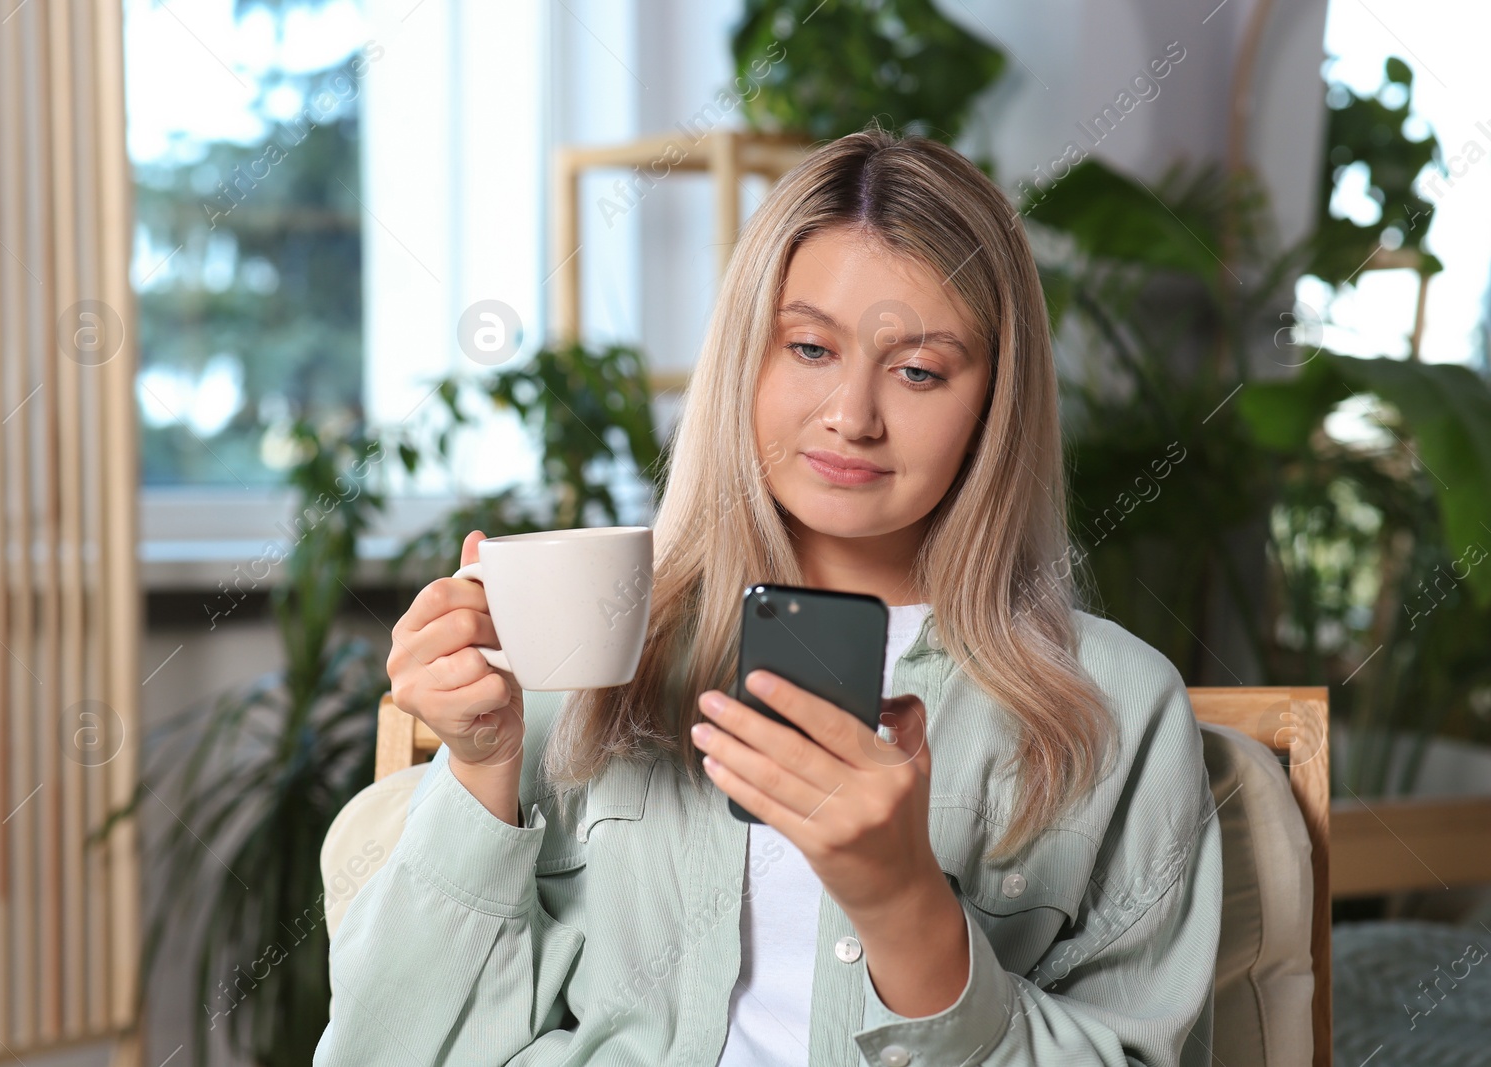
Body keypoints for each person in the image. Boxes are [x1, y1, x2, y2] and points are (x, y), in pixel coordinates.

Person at [314, 125, 1221, 1067]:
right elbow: (387, 1053)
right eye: (809, 347)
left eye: (918, 369)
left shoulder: (1116, 707)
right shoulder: (589, 652)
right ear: (747, 355)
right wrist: (480, 769)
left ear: (995, 399)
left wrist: (905, 904)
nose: (852, 415)